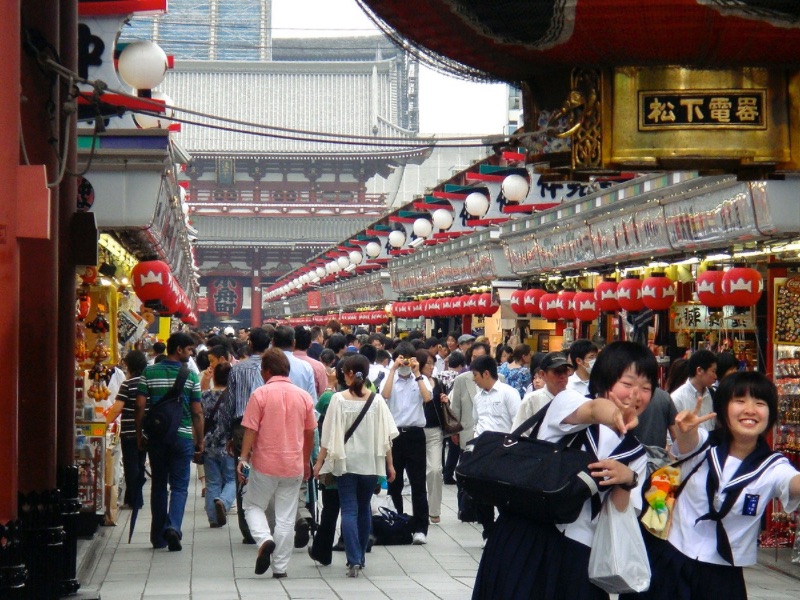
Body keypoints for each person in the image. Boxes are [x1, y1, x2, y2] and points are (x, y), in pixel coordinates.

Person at [473, 341, 656, 600]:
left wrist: (626, 481)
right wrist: (616, 413)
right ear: (603, 380)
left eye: (646, 388)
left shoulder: (636, 454)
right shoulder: (570, 402)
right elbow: (594, 410)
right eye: (627, 384)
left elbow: (616, 516)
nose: (636, 395)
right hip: (526, 537)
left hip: (578, 557)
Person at [623, 372, 800, 600]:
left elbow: (792, 482)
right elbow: (688, 443)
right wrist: (684, 430)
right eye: (739, 401)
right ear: (723, 410)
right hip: (670, 561)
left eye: (760, 403)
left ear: (771, 414)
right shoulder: (705, 445)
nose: (750, 409)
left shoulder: (773, 466)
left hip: (723, 576)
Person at [314, 354, 398, 577]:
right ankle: (360, 556)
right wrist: (390, 464)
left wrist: (319, 462)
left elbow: (328, 436)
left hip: (346, 462)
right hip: (371, 462)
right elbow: (386, 437)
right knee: (364, 510)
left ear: (349, 374)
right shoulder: (377, 401)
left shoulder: (338, 400)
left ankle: (353, 560)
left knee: (349, 510)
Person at [237, 349, 317, 578]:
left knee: (252, 505)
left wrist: (243, 458)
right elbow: (310, 431)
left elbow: (250, 429)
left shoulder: (260, 395)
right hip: (293, 465)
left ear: (268, 370)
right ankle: (280, 567)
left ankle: (264, 539)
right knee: (286, 516)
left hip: (265, 463)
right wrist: (306, 460)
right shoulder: (303, 396)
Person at [135, 332, 203, 551]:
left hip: (157, 438)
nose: (191, 353)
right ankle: (173, 526)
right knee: (180, 487)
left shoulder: (149, 371)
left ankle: (158, 537)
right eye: (189, 349)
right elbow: (197, 412)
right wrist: (199, 440)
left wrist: (139, 433)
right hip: (182, 437)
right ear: (179, 349)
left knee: (158, 485)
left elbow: (140, 406)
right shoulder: (191, 376)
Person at [380, 342, 432, 544]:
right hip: (394, 436)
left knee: (418, 484)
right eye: (400, 358)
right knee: (395, 482)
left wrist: (417, 373)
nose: (404, 363)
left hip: (415, 434)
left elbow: (427, 398)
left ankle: (421, 528)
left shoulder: (421, 380)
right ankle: (398, 523)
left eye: (407, 359)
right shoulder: (388, 376)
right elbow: (384, 395)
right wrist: (393, 369)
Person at [471, 355, 522, 545]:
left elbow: (518, 421)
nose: (474, 379)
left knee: (503, 493)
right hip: (483, 449)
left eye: (475, 375)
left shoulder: (508, 393)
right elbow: (477, 421)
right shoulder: (478, 397)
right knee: (482, 493)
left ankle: (506, 531)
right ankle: (488, 531)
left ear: (486, 373)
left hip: (504, 449)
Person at [227, 327, 271, 544]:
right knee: (266, 472)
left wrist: (228, 433)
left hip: (241, 426)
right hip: (268, 426)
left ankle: (247, 529)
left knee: (243, 473)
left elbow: (230, 404)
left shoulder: (237, 369)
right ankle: (265, 522)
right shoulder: (274, 368)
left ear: (250, 344)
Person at [105, 350, 148, 511]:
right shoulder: (146, 382)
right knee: (140, 464)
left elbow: (117, 408)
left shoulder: (128, 384)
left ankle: (135, 500)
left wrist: (104, 424)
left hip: (130, 431)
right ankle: (134, 499)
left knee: (131, 466)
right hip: (145, 431)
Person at [201, 362, 236, 528]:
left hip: (209, 444)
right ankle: (223, 501)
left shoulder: (205, 396)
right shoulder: (233, 396)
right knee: (232, 479)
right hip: (228, 444)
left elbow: (198, 419)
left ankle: (213, 519)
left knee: (212, 482)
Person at [419, 350, 447, 525]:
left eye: (433, 363)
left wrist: (445, 400)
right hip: (416, 431)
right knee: (418, 473)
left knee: (435, 470)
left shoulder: (438, 383)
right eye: (428, 363)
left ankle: (434, 509)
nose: (431, 367)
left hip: (435, 431)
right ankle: (419, 510)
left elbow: (442, 404)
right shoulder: (413, 382)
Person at [513, 351, 573, 431]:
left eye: (565, 371)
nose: (562, 376)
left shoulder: (574, 398)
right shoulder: (531, 400)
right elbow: (518, 433)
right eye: (557, 371)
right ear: (543, 374)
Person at [670, 350, 717, 431]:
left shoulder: (712, 394)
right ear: (699, 370)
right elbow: (672, 434)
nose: (715, 376)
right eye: (713, 371)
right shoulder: (677, 398)